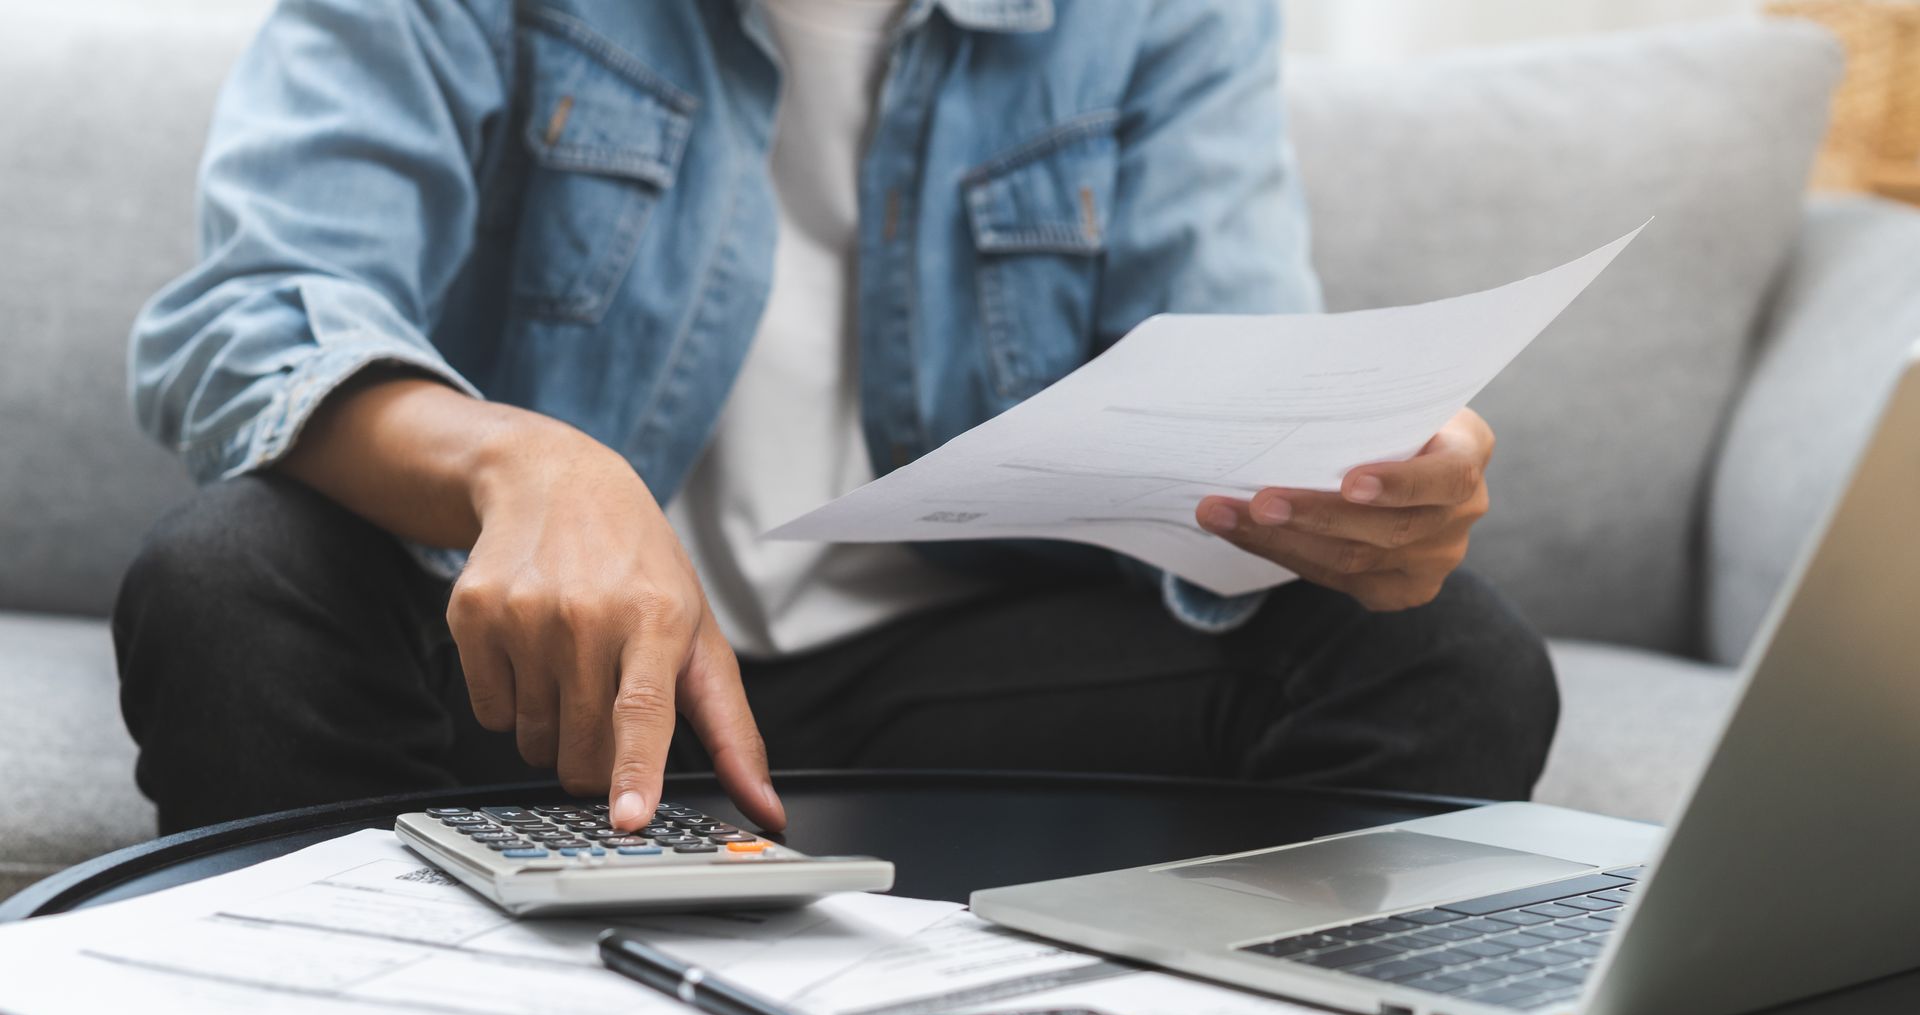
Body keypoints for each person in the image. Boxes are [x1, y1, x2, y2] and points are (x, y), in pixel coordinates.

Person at [117, 0, 1556, 838]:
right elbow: (253, 310)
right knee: (232, 583)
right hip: (542, 684)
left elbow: (1238, 384)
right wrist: (519, 461)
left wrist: (1346, 488)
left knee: (1440, 650)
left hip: (955, 683)